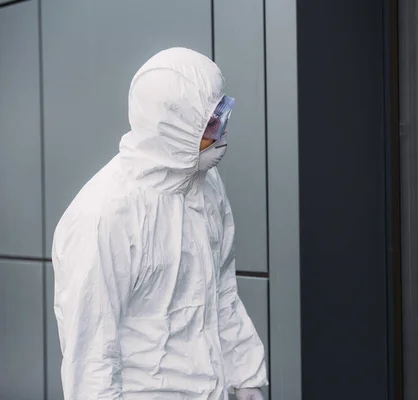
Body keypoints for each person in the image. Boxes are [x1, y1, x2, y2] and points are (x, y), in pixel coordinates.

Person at [51, 47, 267, 400]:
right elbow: (89, 354)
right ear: (175, 125)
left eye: (222, 115)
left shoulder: (204, 185)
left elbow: (221, 292)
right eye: (211, 122)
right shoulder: (106, 214)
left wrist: (245, 376)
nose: (222, 131)